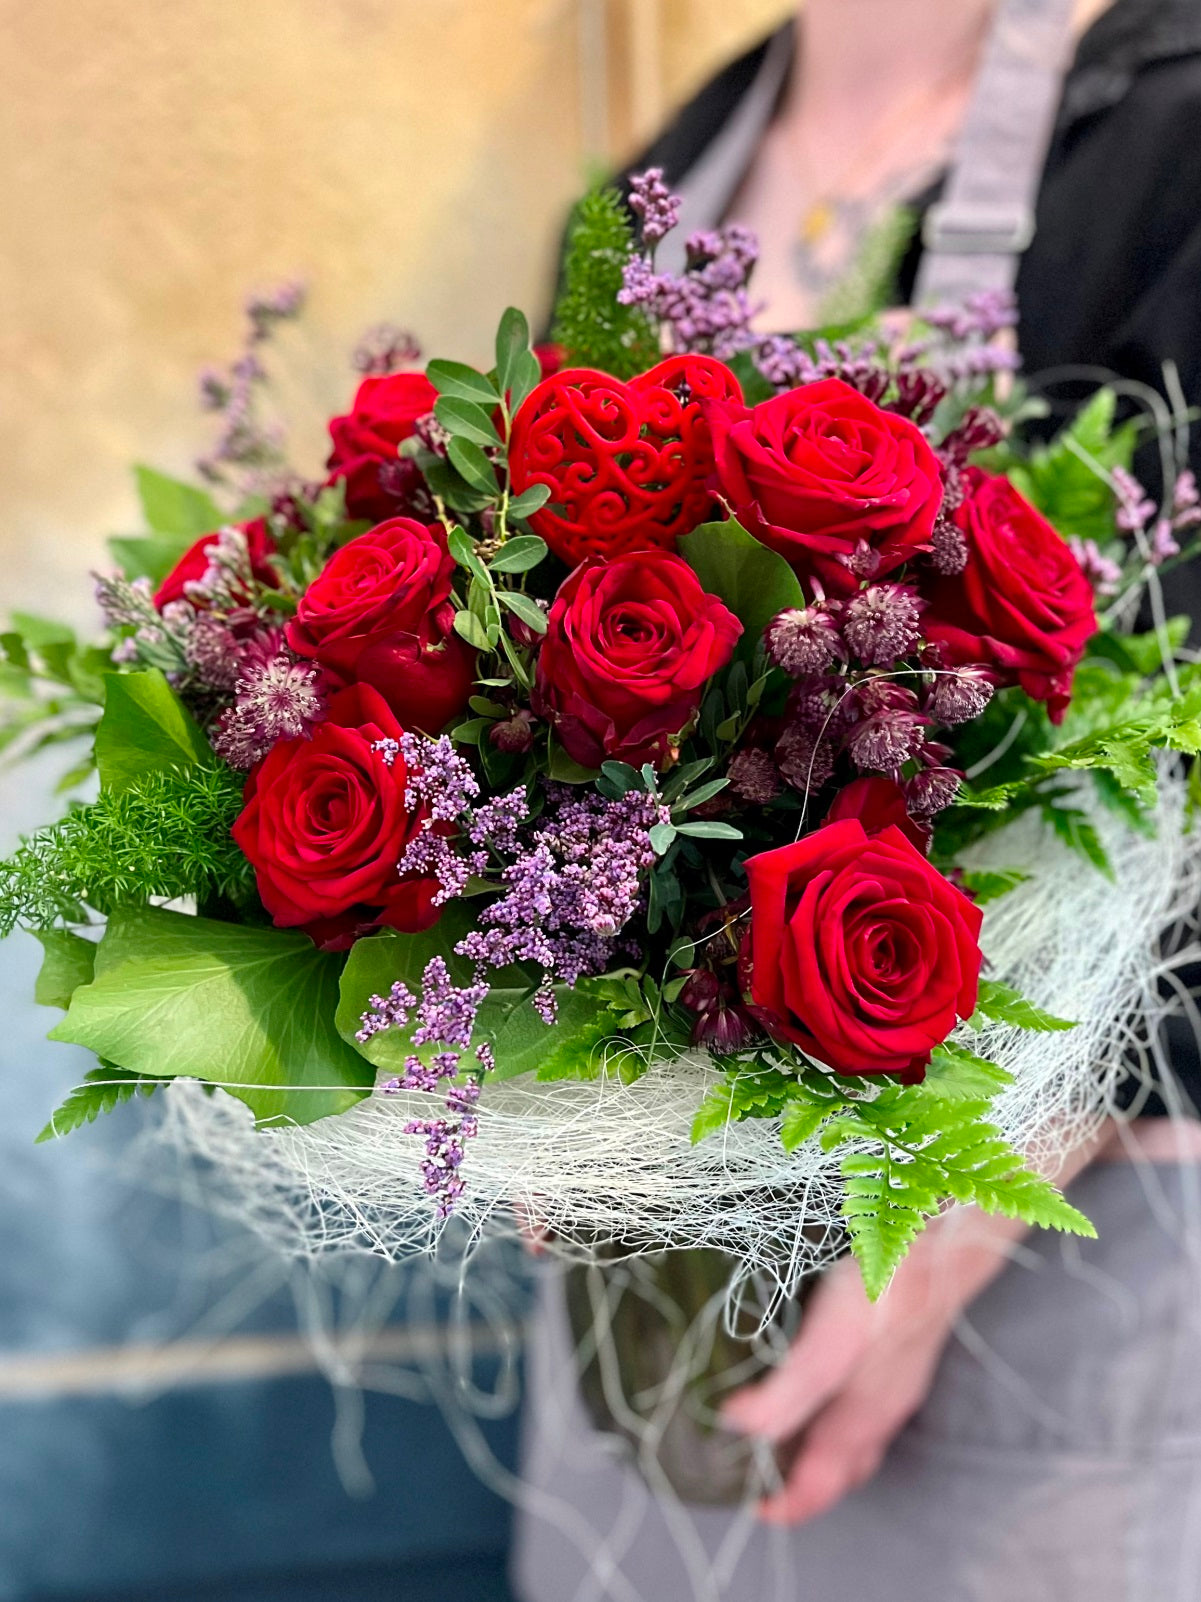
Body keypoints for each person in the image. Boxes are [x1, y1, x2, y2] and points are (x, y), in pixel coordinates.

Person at [513, 2, 1201, 1597]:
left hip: (1051, 1286)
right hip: (647, 1313)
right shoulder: (653, 185)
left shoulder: (1171, 121)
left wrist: (965, 1207)